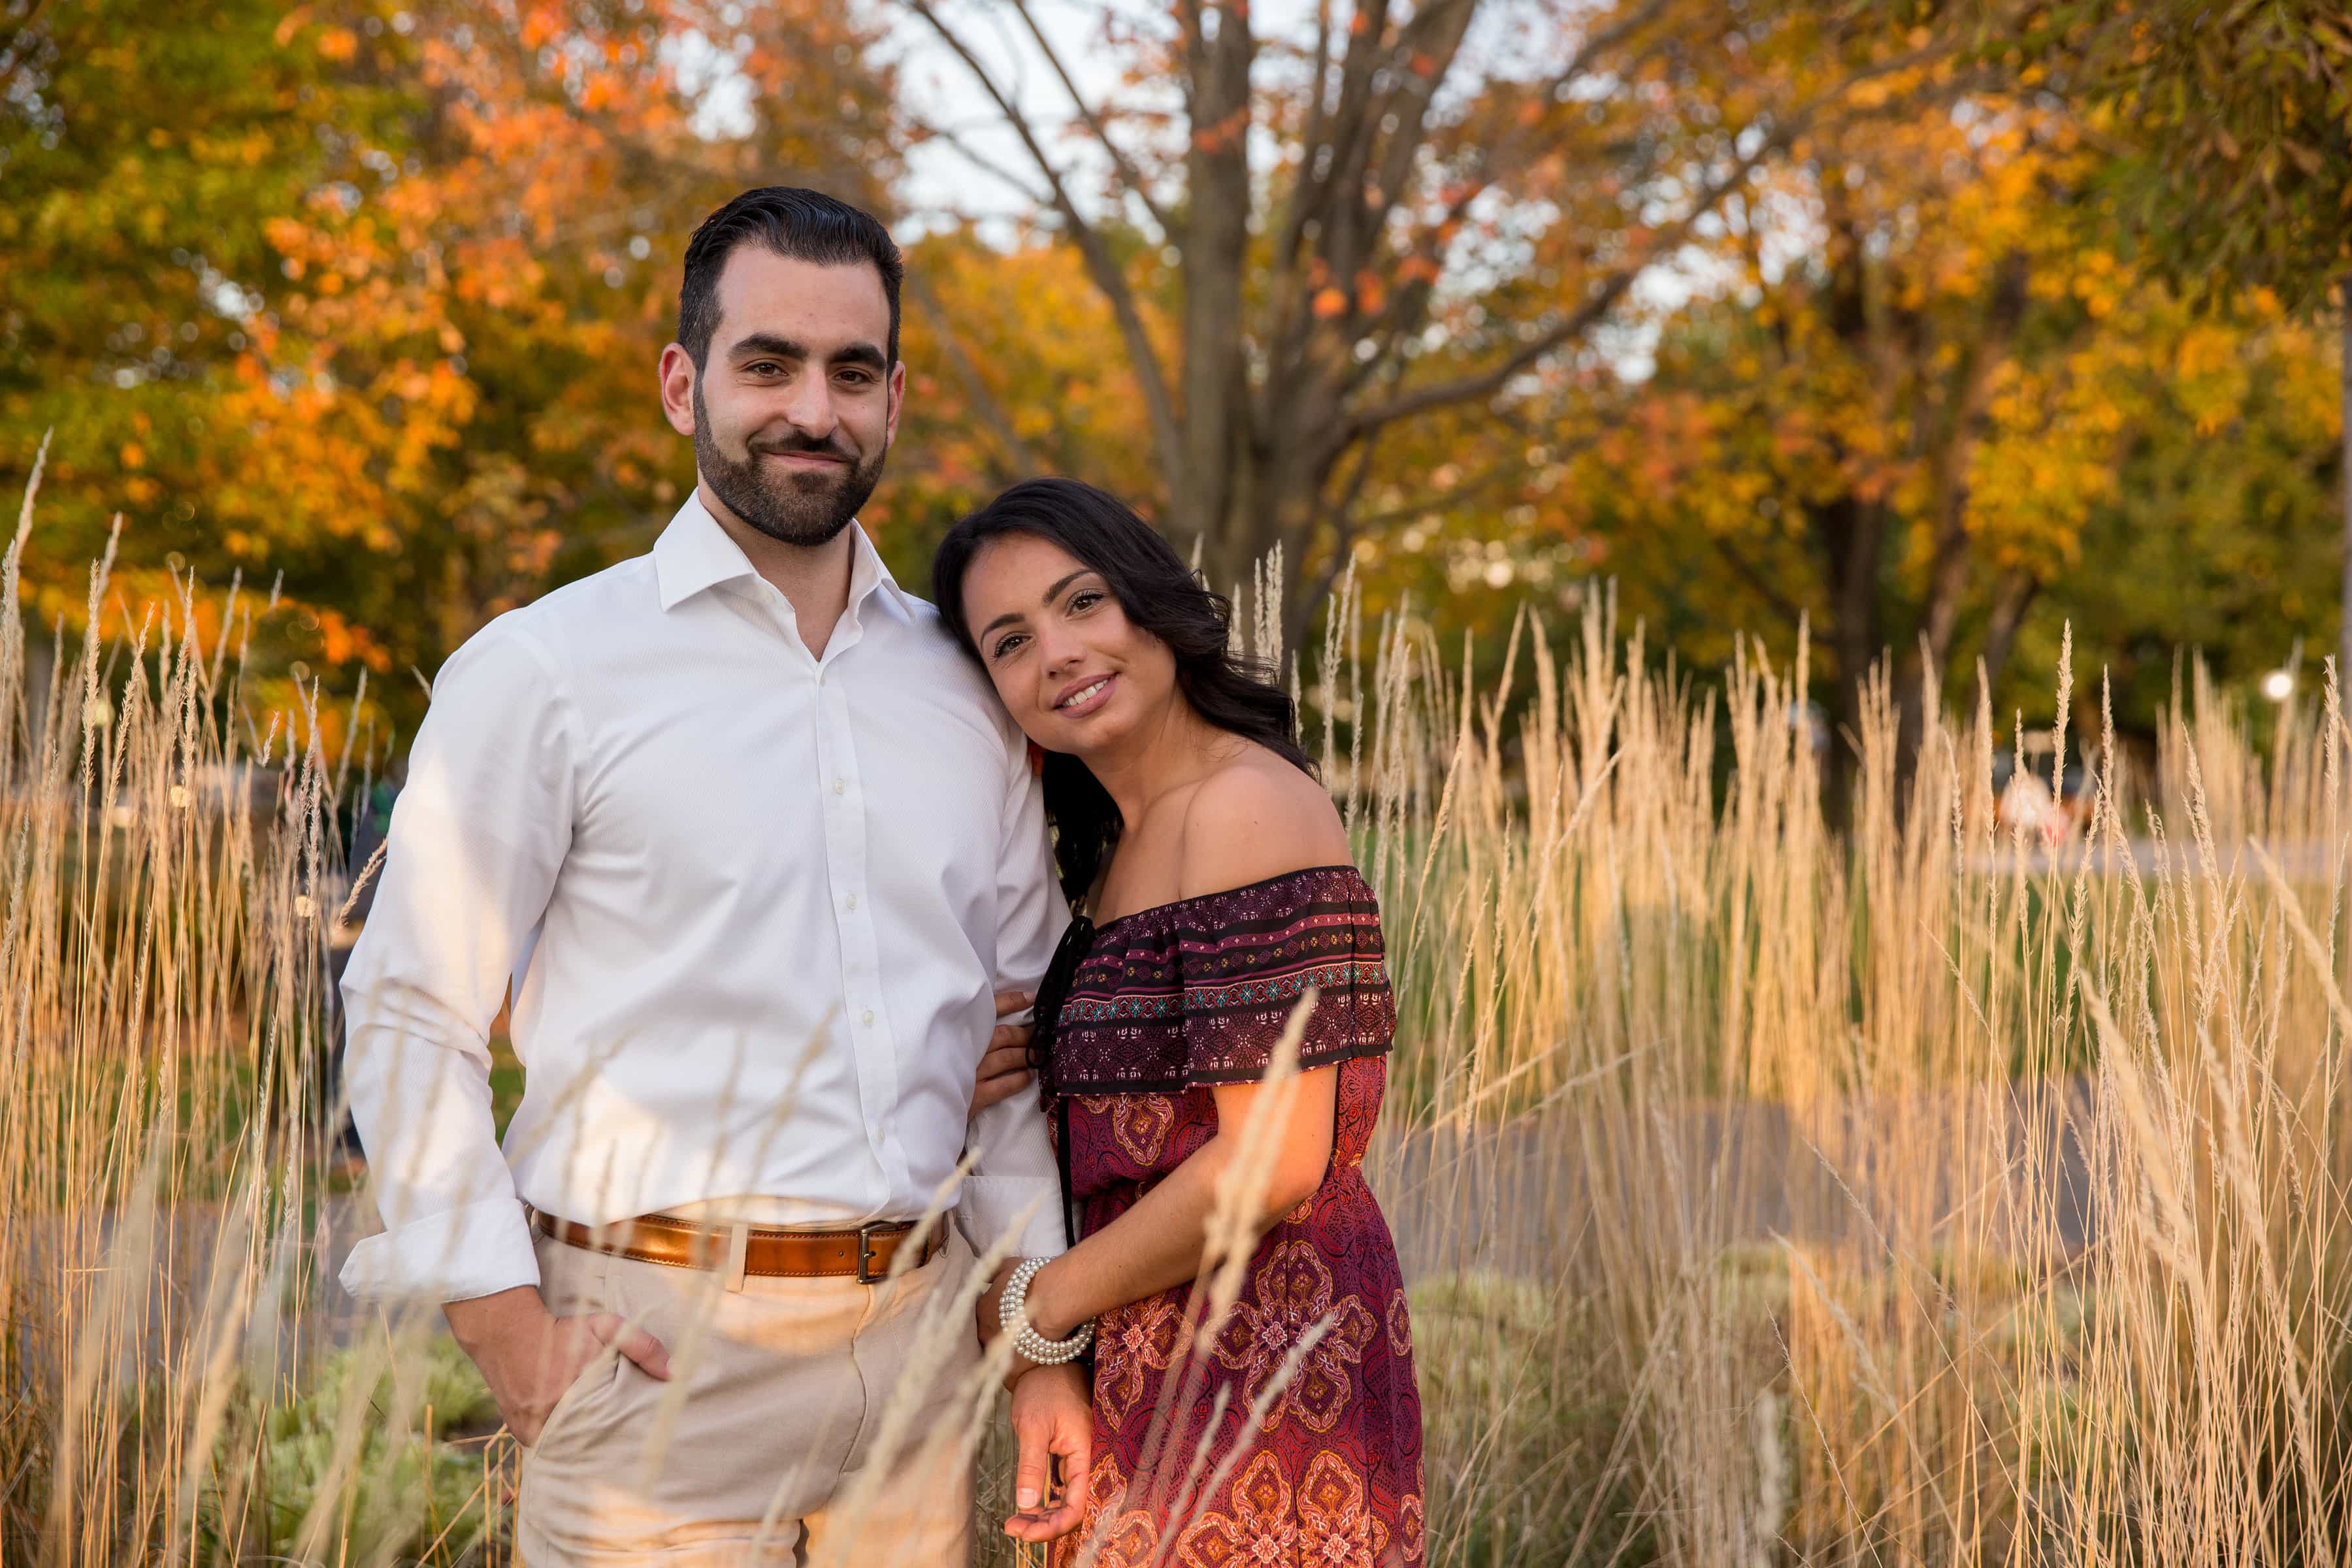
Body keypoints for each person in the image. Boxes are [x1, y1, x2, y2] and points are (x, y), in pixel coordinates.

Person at [336, 186, 1091, 1563]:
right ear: (684, 385)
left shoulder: (965, 688)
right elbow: (409, 1010)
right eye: (769, 364)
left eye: (851, 372)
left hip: (917, 1367)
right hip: (654, 1366)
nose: (813, 408)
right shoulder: (548, 671)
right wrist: (509, 1335)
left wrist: (1038, 1346)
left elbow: (1015, 1051)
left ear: (894, 400)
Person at [934, 479, 1426, 1566]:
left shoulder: (1240, 806)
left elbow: (1272, 1162)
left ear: (1150, 599)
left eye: (1082, 602)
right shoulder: (1115, 852)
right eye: (1011, 642)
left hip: (1268, 1374)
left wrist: (1035, 1309)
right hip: (1142, 1357)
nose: (1058, 653)